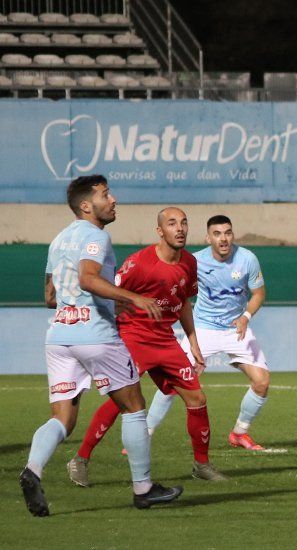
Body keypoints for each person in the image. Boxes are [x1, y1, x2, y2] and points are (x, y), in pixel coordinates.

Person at [22, 175, 181, 516]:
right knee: (135, 407)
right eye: (105, 195)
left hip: (60, 336)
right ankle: (143, 488)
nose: (113, 200)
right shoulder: (96, 237)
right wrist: (133, 297)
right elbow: (88, 278)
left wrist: (110, 302)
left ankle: (32, 470)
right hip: (96, 337)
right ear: (85, 206)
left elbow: (51, 297)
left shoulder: (58, 240)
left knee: (62, 419)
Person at [68, 207, 226, 485]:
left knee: (197, 400)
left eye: (184, 223)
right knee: (123, 402)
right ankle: (80, 459)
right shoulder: (139, 262)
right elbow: (109, 295)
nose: (180, 228)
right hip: (134, 337)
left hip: (165, 339)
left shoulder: (189, 262)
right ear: (160, 231)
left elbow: (185, 302)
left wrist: (192, 341)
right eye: (172, 223)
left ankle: (201, 464)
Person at [144, 215, 271, 451]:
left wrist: (245, 317)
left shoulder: (247, 259)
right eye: (217, 233)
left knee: (262, 382)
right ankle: (145, 433)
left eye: (228, 233)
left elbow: (259, 294)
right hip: (203, 328)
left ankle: (239, 433)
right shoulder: (194, 261)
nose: (223, 238)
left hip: (236, 329)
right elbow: (180, 295)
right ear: (207, 237)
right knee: (173, 381)